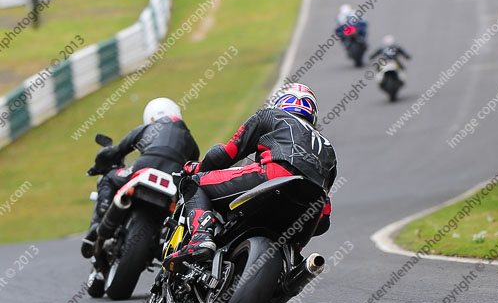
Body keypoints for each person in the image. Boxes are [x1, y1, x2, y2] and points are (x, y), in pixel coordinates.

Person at [164, 83, 337, 266]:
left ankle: (200, 238)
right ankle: (290, 270)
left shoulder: (270, 115)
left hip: (273, 174)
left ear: (279, 102)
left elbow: (224, 154)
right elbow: (324, 220)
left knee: (194, 183)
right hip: (312, 206)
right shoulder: (328, 149)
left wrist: (196, 167)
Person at [81, 97, 199, 258]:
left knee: (108, 177)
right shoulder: (191, 141)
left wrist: (97, 167)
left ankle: (97, 223)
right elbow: (193, 170)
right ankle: (167, 242)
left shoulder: (148, 128)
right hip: (173, 180)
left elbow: (115, 152)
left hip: (144, 167)